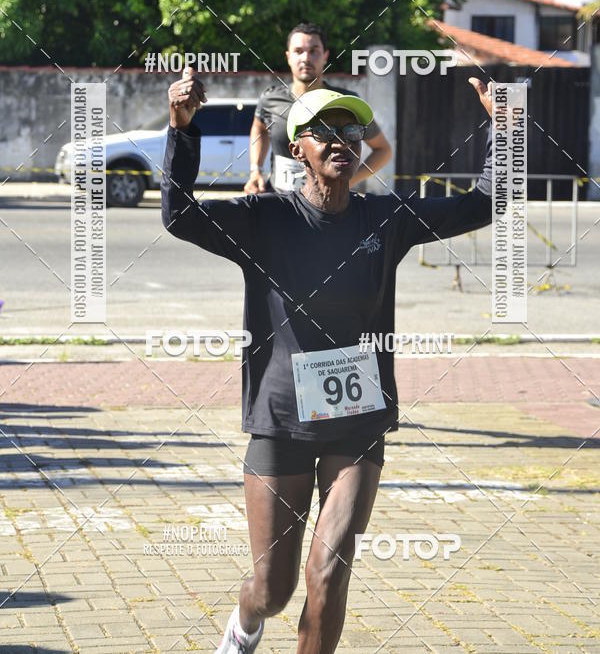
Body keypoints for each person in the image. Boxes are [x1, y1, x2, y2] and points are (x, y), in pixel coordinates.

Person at [161, 67, 494, 654]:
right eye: (324, 130)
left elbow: (484, 204)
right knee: (274, 588)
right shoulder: (265, 219)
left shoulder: (384, 219)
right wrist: (181, 129)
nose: (342, 139)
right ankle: (243, 627)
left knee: (329, 574)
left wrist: (506, 129)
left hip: (357, 423)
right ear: (298, 149)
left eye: (350, 128)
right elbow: (179, 215)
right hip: (281, 421)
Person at [243, 22, 392, 195]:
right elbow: (259, 128)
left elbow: (383, 150)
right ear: (288, 56)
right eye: (298, 51)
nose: (306, 58)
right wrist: (255, 171)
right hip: (278, 201)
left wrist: (347, 181)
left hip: (326, 207)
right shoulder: (270, 99)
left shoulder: (344, 104)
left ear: (325, 56)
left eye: (314, 51)